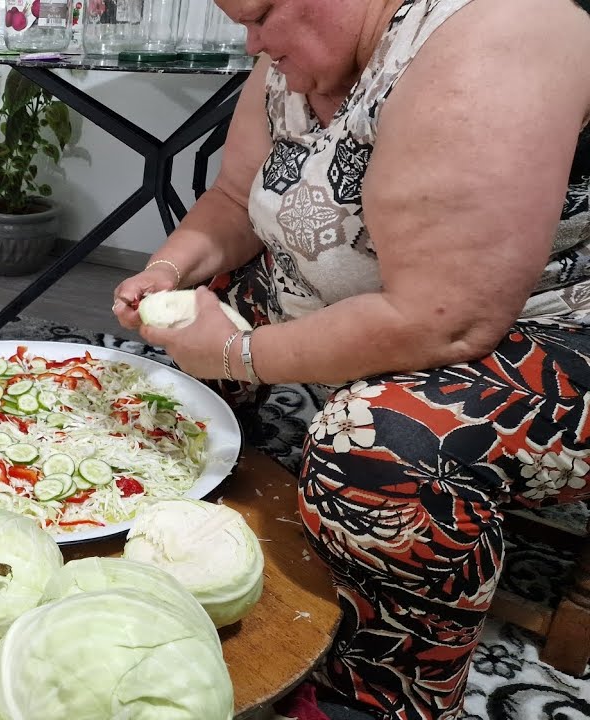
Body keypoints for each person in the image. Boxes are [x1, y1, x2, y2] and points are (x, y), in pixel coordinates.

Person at [112, 0, 590, 718]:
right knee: (170, 350)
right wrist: (168, 269)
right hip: (352, 307)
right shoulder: (292, 62)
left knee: (380, 448)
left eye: (262, 13)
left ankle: (380, 695)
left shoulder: (501, 27)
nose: (252, 42)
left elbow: (446, 320)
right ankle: (190, 538)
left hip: (529, 338)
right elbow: (238, 198)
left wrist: (240, 352)